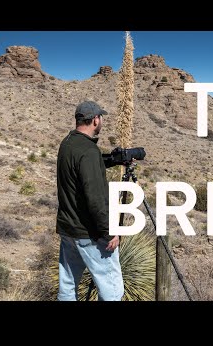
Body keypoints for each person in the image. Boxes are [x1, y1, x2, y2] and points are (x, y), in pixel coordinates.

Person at [56, 100, 124, 301]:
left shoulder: (68, 143)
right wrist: (109, 232)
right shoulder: (88, 151)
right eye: (100, 118)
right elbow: (96, 199)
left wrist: (111, 160)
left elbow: (81, 167)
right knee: (112, 290)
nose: (101, 121)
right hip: (90, 233)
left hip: (69, 229)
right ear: (95, 120)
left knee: (67, 286)